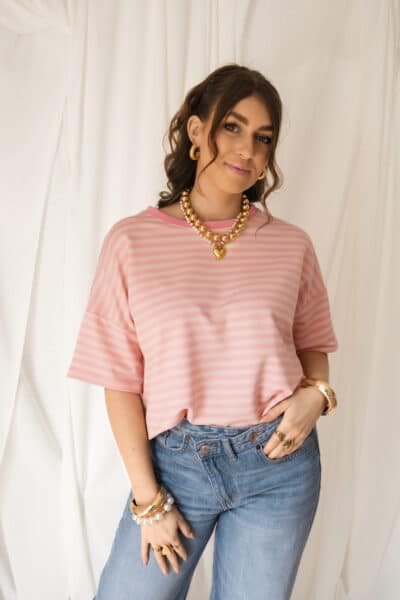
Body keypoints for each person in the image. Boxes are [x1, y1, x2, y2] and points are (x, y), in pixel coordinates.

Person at [66, 63, 339, 600]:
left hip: (279, 465)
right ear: (196, 130)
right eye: (232, 127)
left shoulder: (291, 244)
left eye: (263, 138)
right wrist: (149, 500)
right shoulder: (131, 241)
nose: (248, 150)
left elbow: (312, 342)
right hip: (175, 467)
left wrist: (317, 394)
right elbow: (119, 380)